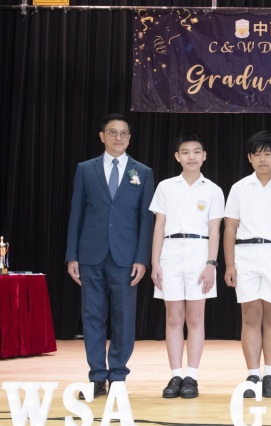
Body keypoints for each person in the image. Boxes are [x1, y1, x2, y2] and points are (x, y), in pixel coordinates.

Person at [66, 113, 154, 398]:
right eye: (113, 132)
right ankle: (96, 377)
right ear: (102, 136)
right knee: (92, 316)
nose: (118, 138)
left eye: (124, 133)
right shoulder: (85, 169)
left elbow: (146, 220)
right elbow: (76, 214)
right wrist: (72, 256)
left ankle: (117, 376)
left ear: (130, 138)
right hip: (90, 254)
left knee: (124, 318)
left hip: (126, 258)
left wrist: (142, 258)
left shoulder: (143, 172)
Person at [223, 130, 271, 398]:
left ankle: (270, 374)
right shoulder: (239, 188)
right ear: (249, 158)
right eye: (257, 154)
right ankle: (253, 374)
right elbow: (230, 228)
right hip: (244, 254)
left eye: (268, 153)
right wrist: (229, 264)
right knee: (250, 316)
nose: (263, 159)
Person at [149, 131, 224, 399]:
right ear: (177, 156)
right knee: (173, 317)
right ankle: (175, 376)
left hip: (199, 253)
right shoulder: (166, 187)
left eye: (196, 152)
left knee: (195, 317)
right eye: (185, 152)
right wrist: (155, 262)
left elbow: (214, 230)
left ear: (204, 156)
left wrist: (211, 264)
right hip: (170, 253)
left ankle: (192, 375)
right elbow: (159, 225)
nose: (191, 157)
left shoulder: (213, 190)